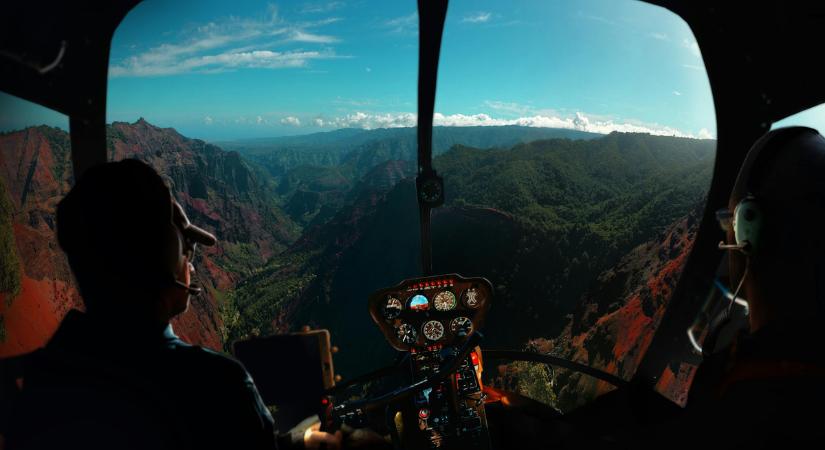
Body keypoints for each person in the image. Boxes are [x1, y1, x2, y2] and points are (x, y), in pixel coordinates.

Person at [4, 159, 342, 450]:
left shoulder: (39, 381)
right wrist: (307, 427)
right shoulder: (216, 384)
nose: (190, 263)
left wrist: (300, 440)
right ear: (166, 261)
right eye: (185, 251)